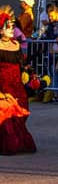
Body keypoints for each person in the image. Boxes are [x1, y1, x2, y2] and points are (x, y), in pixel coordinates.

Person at [0, 9, 34, 154]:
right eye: (8, 27)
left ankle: (19, 142)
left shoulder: (16, 44)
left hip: (17, 84)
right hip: (3, 83)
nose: (11, 29)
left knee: (21, 112)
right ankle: (8, 144)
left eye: (12, 26)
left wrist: (30, 74)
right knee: (6, 114)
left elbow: (22, 64)